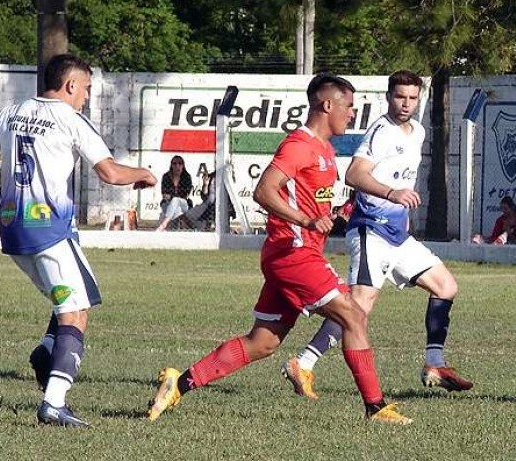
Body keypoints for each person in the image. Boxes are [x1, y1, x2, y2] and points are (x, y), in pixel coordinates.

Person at [146, 72, 412, 425]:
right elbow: (264, 191)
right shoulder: (299, 145)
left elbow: (312, 203)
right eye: (348, 106)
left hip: (292, 253)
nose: (352, 114)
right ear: (326, 104)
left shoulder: (326, 150)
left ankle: (178, 384)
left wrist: (335, 213)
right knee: (353, 315)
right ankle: (375, 407)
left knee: (263, 343)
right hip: (294, 254)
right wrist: (304, 220)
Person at [0, 54, 158, 427]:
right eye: (86, 88)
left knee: (72, 297)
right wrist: (145, 173)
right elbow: (110, 173)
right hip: (49, 230)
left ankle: (47, 351)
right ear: (70, 85)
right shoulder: (70, 119)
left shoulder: (12, 112)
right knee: (76, 312)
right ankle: (54, 402)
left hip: (13, 232)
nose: (86, 96)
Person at [280, 70, 472, 401]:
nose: (406, 104)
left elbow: (399, 177)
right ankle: (304, 362)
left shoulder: (419, 131)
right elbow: (355, 174)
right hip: (371, 232)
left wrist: (402, 209)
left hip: (397, 235)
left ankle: (435, 364)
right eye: (400, 96)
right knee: (358, 308)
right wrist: (391, 193)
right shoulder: (381, 131)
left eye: (412, 98)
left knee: (445, 286)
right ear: (388, 97)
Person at [155, 155, 193, 231]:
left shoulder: (187, 177)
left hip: (183, 204)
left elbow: (185, 194)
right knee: (175, 205)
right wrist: (173, 197)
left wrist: (172, 197)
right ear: (171, 165)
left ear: (183, 165)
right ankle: (182, 217)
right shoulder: (166, 176)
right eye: (174, 163)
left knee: (175, 200)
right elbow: (164, 193)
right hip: (168, 204)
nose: (177, 166)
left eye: (180, 163)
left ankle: (164, 224)